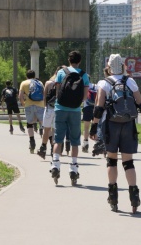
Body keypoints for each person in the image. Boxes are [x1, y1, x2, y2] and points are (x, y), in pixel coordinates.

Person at [90, 53, 141, 213]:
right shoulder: (130, 81)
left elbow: (98, 108)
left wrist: (94, 127)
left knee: (111, 160)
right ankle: (134, 197)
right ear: (123, 66)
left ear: (109, 67)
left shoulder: (104, 83)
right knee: (128, 162)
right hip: (129, 124)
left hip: (111, 125)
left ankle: (113, 197)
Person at [50, 51, 89, 185]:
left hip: (60, 108)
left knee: (58, 139)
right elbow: (85, 97)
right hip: (75, 110)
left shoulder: (61, 72)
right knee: (74, 140)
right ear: (80, 61)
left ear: (69, 59)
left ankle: (55, 164)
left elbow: (58, 91)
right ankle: (73, 168)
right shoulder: (84, 75)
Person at [37, 66, 63, 159]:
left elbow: (44, 97)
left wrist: (45, 106)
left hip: (49, 108)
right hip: (59, 109)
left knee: (46, 129)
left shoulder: (48, 83)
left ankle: (43, 148)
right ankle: (54, 149)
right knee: (55, 131)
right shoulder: (64, 83)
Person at [19, 70, 45, 153]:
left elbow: (20, 96)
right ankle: (45, 144)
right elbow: (44, 94)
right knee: (43, 124)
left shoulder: (24, 83)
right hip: (40, 105)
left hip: (29, 105)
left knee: (29, 123)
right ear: (34, 75)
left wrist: (23, 104)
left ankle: (32, 142)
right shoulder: (40, 83)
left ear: (26, 76)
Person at [82, 75, 97, 153]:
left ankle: (85, 143)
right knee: (96, 126)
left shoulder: (84, 87)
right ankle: (97, 144)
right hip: (95, 108)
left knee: (86, 127)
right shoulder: (95, 85)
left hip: (87, 107)